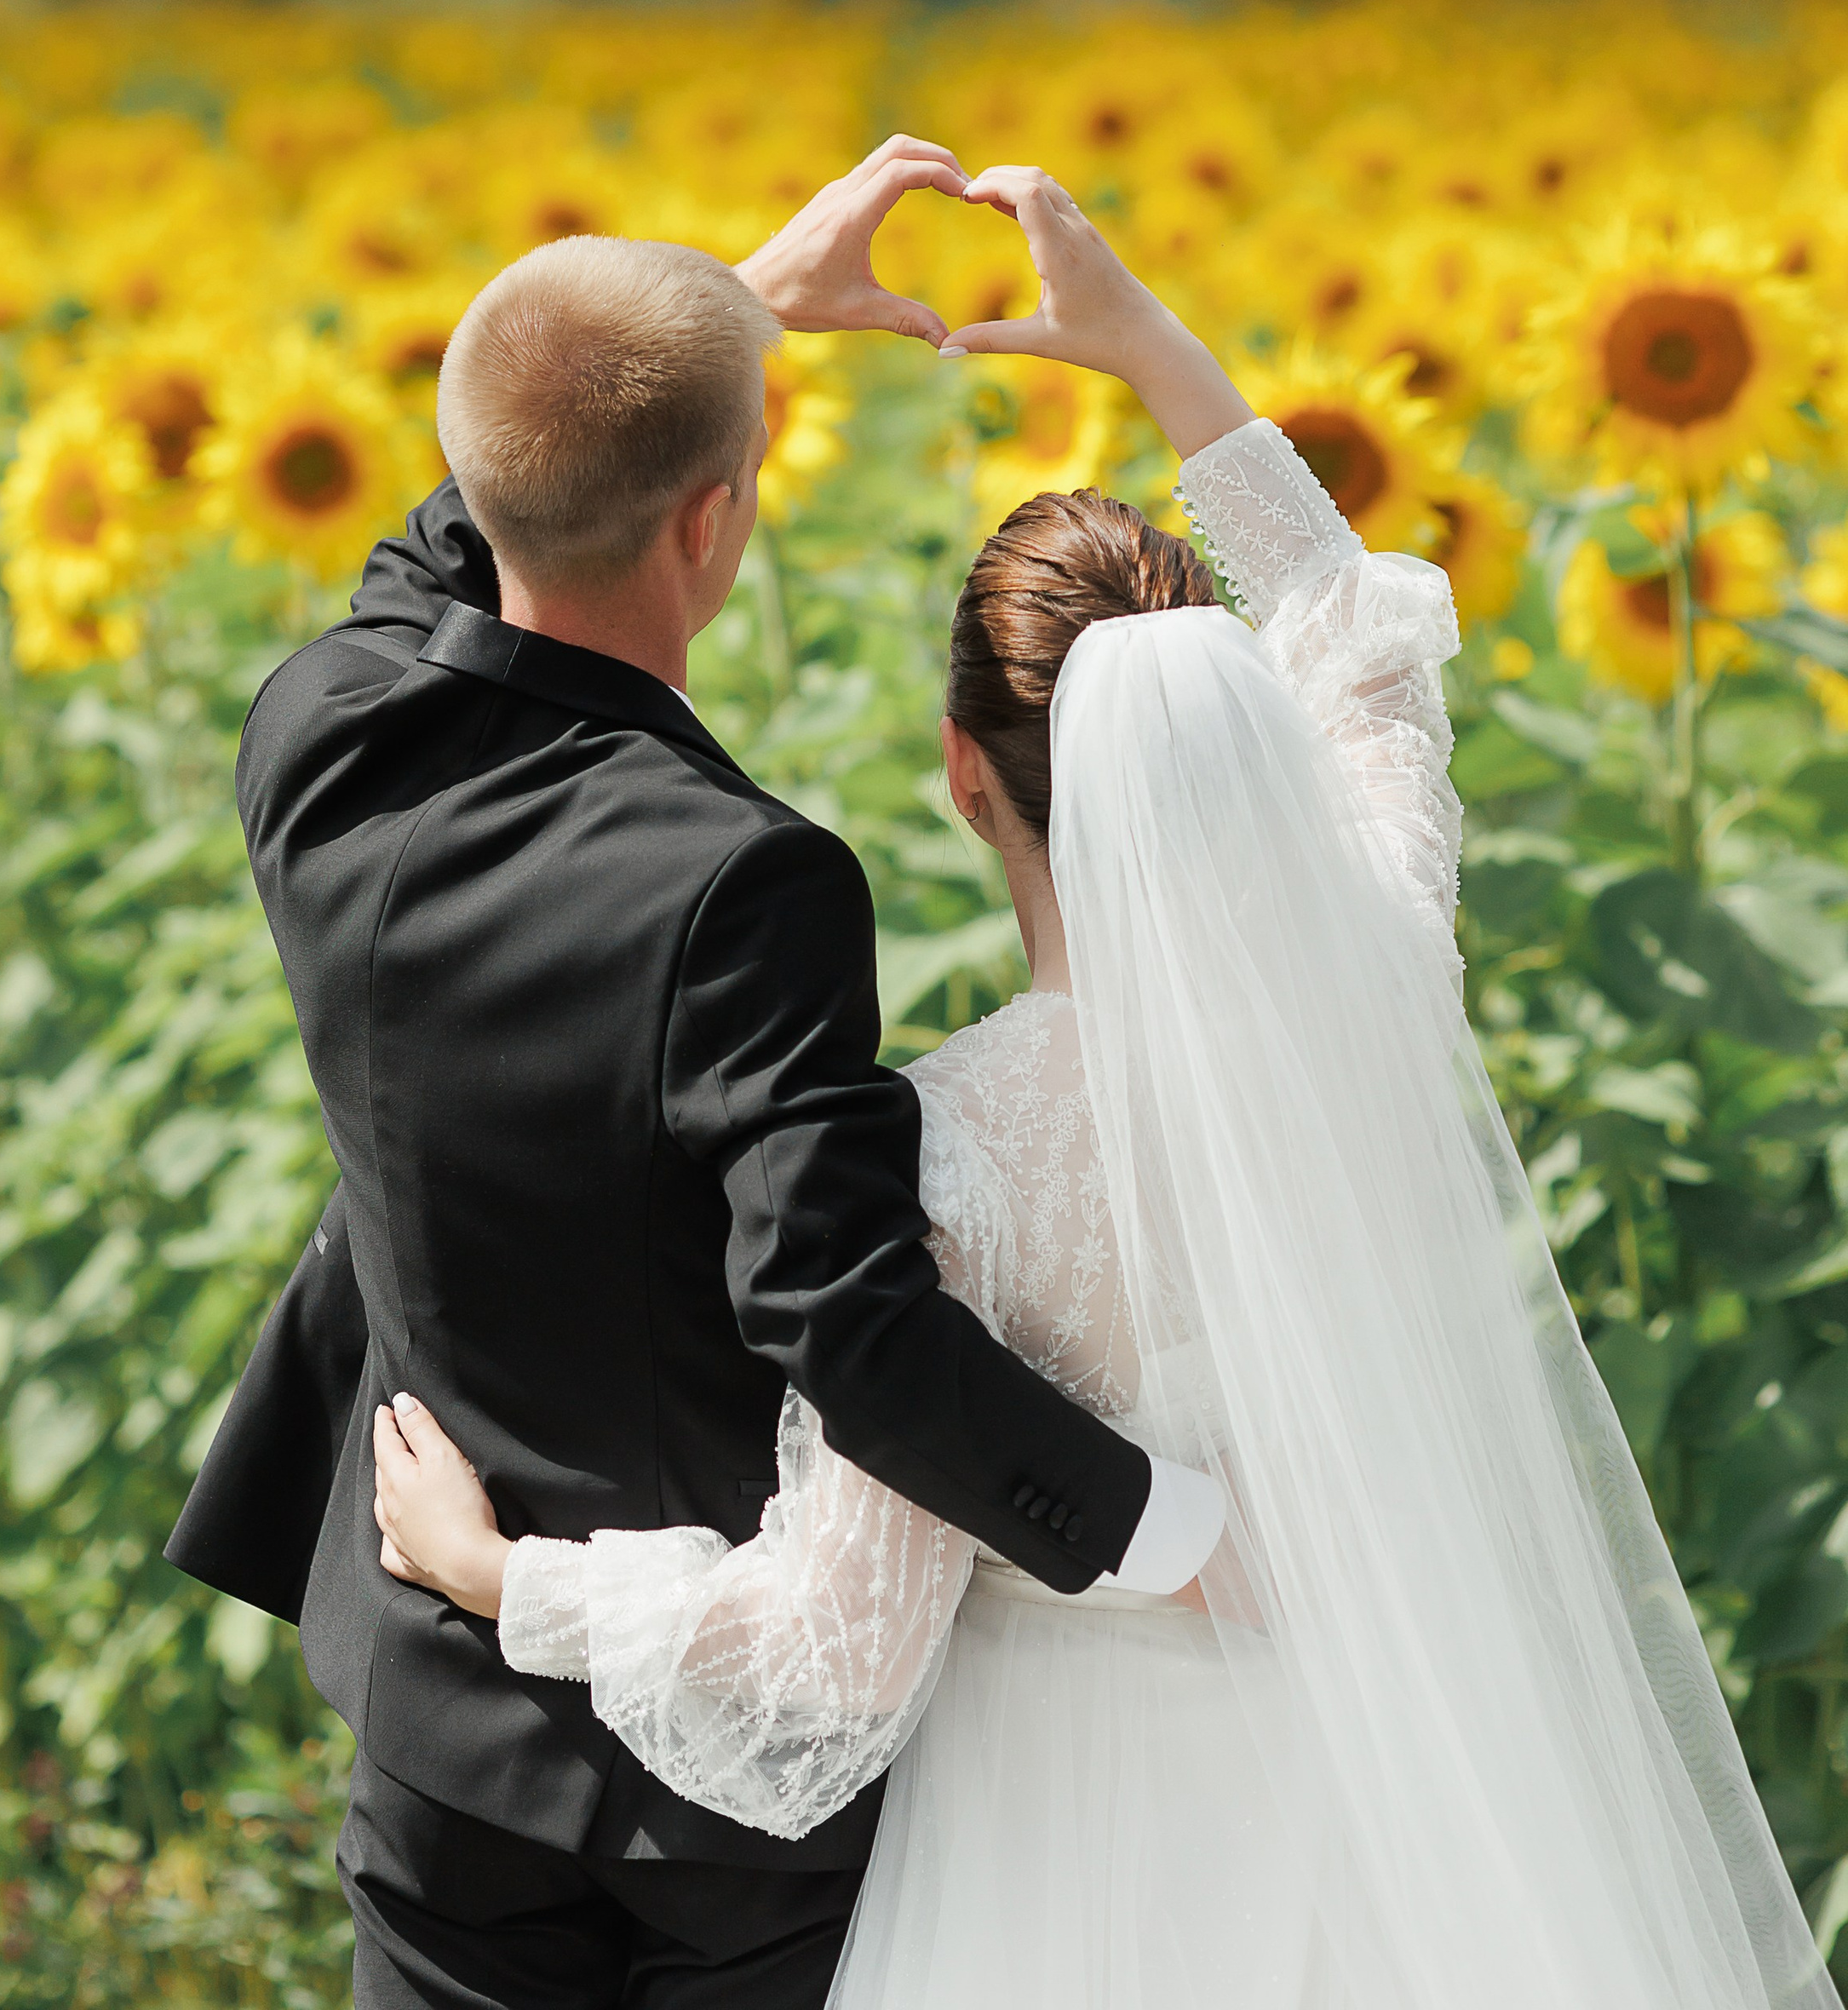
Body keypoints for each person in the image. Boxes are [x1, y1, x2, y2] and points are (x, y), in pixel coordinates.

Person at [370, 168, 1831, 2010]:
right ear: (1233, 748)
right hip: (1407, 1797)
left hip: (1065, 1849)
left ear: (961, 782)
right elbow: (1362, 652)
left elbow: (832, 1648)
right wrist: (1152, 348)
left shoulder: (951, 1145)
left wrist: (510, 1583)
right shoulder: (1376, 974)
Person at [165, 140, 1222, 2010]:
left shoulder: (317, 737)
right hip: (714, 1795)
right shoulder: (743, 881)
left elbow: (460, 538)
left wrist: (725, 311)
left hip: (430, 1695)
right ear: (714, 526)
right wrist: (1155, 1522)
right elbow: (846, 1326)